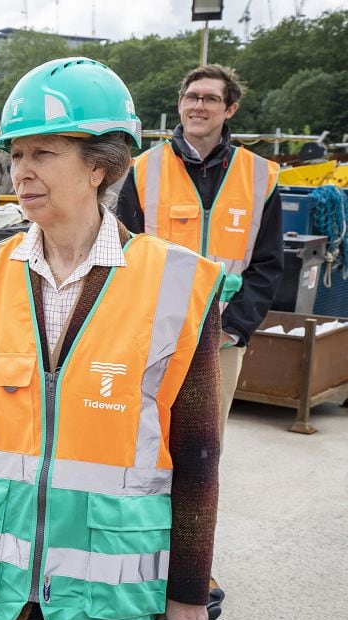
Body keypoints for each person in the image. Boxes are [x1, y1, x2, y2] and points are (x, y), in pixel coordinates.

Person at [0, 57, 224, 620]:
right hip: (0, 576)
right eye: (15, 154)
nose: (20, 172)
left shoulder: (176, 285)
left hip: (109, 584)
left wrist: (187, 589)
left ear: (101, 166)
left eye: (43, 154)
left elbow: (198, 453)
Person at [116, 63, 283, 438]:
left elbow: (268, 265)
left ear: (230, 109)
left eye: (210, 99)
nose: (199, 106)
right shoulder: (142, 170)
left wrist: (234, 329)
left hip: (221, 338)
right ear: (179, 104)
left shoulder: (260, 176)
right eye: (192, 97)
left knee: (205, 445)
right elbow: (124, 253)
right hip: (154, 334)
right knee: (141, 438)